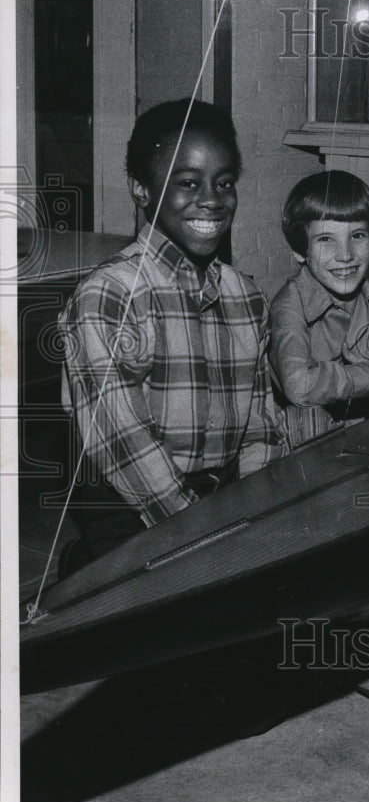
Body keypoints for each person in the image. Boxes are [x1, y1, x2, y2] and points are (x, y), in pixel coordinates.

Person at [57, 98, 286, 576]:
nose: (211, 199)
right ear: (140, 190)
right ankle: (83, 570)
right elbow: (125, 448)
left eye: (224, 183)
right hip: (130, 503)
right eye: (187, 183)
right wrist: (203, 537)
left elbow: (262, 427)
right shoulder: (108, 297)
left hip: (218, 494)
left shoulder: (245, 296)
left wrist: (257, 515)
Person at [269, 170, 369, 447]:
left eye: (358, 236)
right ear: (300, 250)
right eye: (326, 239)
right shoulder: (290, 306)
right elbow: (300, 385)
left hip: (368, 440)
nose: (345, 254)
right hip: (300, 445)